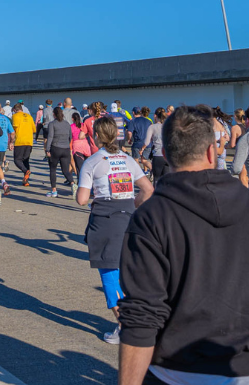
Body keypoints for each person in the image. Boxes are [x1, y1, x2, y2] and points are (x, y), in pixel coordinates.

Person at [118, 105, 249, 385]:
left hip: (178, 372)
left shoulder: (151, 216)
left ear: (167, 155)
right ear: (212, 152)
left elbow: (142, 317)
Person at [76, 116, 153, 344]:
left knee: (110, 275)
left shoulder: (93, 161)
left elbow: (81, 199)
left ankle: (124, 326)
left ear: (97, 136)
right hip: (129, 216)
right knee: (129, 273)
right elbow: (148, 189)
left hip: (105, 220)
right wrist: (132, 205)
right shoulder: (128, 159)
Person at [44, 106, 75, 198]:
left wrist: (47, 149)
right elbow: (70, 137)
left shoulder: (52, 124)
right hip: (65, 149)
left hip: (55, 148)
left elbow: (50, 137)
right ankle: (73, 184)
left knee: (53, 169)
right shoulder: (67, 124)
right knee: (65, 170)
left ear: (54, 114)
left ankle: (54, 190)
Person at [140, 108, 169, 182]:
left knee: (156, 179)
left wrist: (142, 149)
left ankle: (156, 193)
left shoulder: (152, 127)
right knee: (166, 180)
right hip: (168, 156)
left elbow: (147, 142)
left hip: (158, 154)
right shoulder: (168, 126)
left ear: (156, 117)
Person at [10, 104, 36, 186]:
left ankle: (26, 171)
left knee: (17, 160)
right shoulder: (29, 116)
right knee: (25, 160)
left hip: (20, 141)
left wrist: (11, 141)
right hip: (29, 141)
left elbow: (14, 128)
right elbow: (34, 129)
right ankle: (26, 180)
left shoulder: (15, 116)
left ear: (14, 110)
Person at [125, 107, 152, 173]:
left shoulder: (133, 121)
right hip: (147, 144)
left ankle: (140, 173)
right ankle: (151, 170)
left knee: (135, 159)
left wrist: (129, 139)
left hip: (137, 143)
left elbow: (129, 132)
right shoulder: (148, 121)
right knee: (144, 160)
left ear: (133, 113)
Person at [70, 111, 92, 177]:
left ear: (72, 119)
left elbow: (70, 138)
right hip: (85, 144)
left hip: (76, 145)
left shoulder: (71, 126)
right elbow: (89, 132)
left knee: (79, 168)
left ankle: (80, 182)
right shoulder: (83, 125)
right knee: (87, 166)